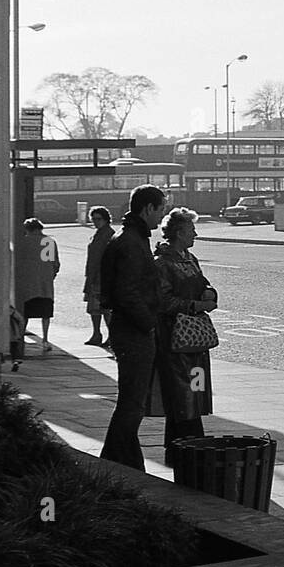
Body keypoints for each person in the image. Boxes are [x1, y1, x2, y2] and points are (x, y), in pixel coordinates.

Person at [99, 185, 168, 470]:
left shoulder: (131, 237)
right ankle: (112, 463)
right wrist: (149, 323)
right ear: (148, 208)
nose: (162, 216)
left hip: (130, 328)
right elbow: (127, 292)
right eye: (161, 209)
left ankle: (126, 463)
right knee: (132, 403)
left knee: (132, 402)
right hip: (133, 331)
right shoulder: (130, 241)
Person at [149, 207, 217, 461]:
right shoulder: (163, 264)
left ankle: (181, 445)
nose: (195, 234)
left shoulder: (190, 258)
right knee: (182, 391)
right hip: (174, 338)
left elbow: (202, 283)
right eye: (191, 230)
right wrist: (195, 306)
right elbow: (163, 301)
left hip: (195, 338)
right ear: (178, 233)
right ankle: (187, 444)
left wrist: (209, 292)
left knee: (194, 389)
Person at [16, 218, 60, 352]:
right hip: (45, 284)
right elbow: (55, 264)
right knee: (45, 313)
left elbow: (18, 262)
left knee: (25, 313)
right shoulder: (49, 242)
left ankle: (20, 338)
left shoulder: (23, 241)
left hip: (28, 284)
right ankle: (45, 339)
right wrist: (51, 274)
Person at [83, 206, 115, 347]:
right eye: (93, 219)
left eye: (98, 219)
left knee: (106, 309)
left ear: (106, 219)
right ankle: (96, 334)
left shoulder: (109, 235)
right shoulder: (97, 234)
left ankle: (111, 336)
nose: (95, 222)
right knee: (94, 309)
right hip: (94, 275)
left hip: (104, 277)